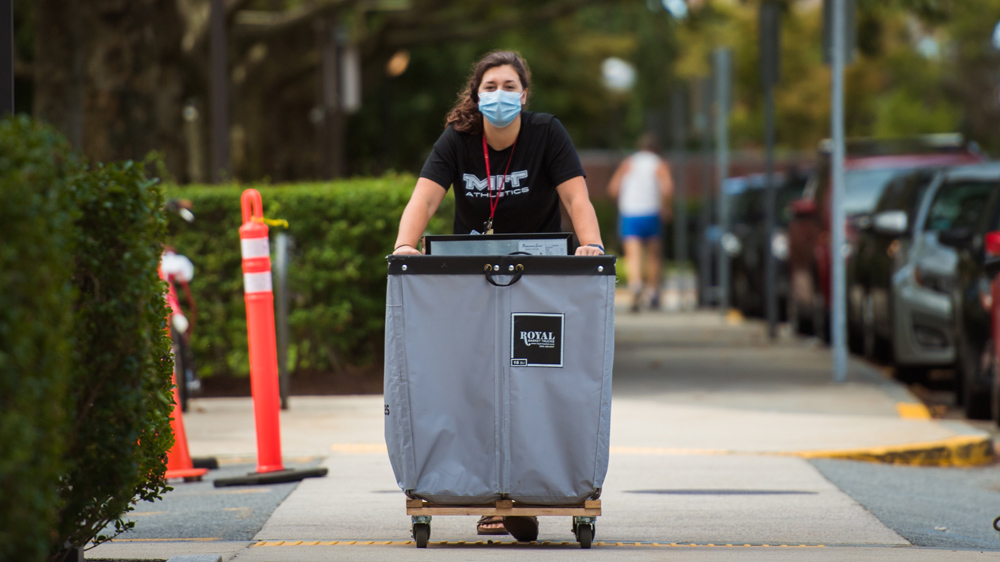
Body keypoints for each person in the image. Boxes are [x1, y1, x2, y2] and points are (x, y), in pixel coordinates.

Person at [391, 50, 605, 540]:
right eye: (490, 86)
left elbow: (576, 197)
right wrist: (405, 246)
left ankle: (527, 490)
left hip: (537, 284)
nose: (500, 95)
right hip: (473, 283)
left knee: (530, 383)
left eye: (510, 86)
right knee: (475, 383)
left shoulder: (547, 133)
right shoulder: (459, 139)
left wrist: (590, 244)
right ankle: (494, 494)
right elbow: (424, 198)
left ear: (524, 95)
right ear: (476, 95)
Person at [607, 133, 674, 312]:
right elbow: (667, 187)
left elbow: (613, 188)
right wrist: (666, 207)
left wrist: (624, 202)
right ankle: (653, 292)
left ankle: (635, 285)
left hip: (630, 212)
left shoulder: (629, 162)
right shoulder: (658, 163)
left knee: (633, 254)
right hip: (651, 211)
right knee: (654, 255)